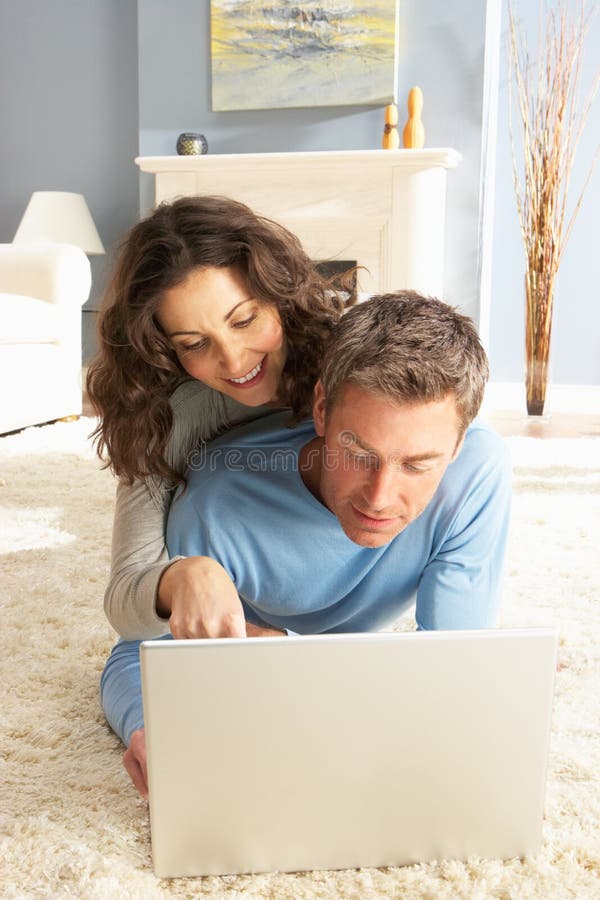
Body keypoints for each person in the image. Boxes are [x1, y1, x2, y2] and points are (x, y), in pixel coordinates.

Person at [100, 291, 512, 798]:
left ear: (458, 443)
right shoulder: (216, 506)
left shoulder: (477, 471)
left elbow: (454, 670)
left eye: (417, 465)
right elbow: (137, 655)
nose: (380, 498)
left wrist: (288, 653)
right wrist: (149, 727)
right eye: (357, 451)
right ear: (321, 410)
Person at [86, 194, 353, 641]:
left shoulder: (351, 365)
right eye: (194, 343)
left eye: (244, 320)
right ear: (163, 348)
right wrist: (180, 578)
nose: (232, 362)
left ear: (279, 294)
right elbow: (125, 593)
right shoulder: (170, 416)